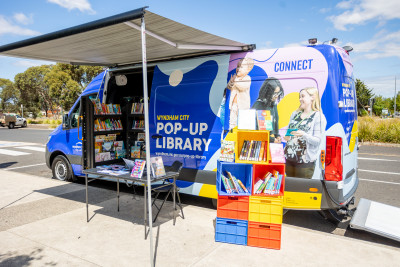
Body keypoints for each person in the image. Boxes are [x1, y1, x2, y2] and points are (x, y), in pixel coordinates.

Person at [284, 87, 326, 178]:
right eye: (300, 97)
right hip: (289, 160)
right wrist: (286, 137)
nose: (300, 99)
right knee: (289, 190)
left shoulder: (318, 116)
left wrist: (304, 134)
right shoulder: (295, 114)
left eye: (302, 96)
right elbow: (288, 133)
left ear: (312, 97)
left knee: (302, 190)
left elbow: (317, 141)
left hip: (304, 163)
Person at [252, 77, 284, 143]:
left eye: (278, 93)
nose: (277, 96)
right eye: (274, 93)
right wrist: (272, 140)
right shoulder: (260, 105)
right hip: (263, 145)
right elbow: (259, 131)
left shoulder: (273, 104)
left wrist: (277, 136)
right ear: (267, 93)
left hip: (272, 143)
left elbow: (275, 124)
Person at [227, 57, 255, 130]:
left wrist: (235, 81)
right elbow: (229, 87)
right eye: (238, 66)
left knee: (243, 123)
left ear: (248, 70)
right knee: (232, 121)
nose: (238, 69)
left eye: (241, 67)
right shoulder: (235, 78)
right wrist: (231, 82)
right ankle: (232, 133)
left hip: (243, 106)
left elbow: (242, 87)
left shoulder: (247, 78)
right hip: (234, 105)